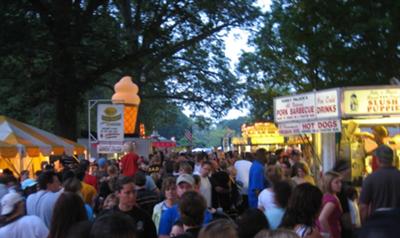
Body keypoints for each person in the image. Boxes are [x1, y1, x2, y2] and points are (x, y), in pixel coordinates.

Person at [359, 144, 400, 223]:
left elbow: (363, 207)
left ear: (377, 160)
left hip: (377, 223)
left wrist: (364, 225)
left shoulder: (370, 179)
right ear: (392, 159)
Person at [318, 171, 343, 238]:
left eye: (340, 182)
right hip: (332, 232)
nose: (340, 184)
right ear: (328, 184)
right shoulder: (331, 200)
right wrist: (329, 235)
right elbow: (322, 218)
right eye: (336, 182)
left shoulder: (329, 196)